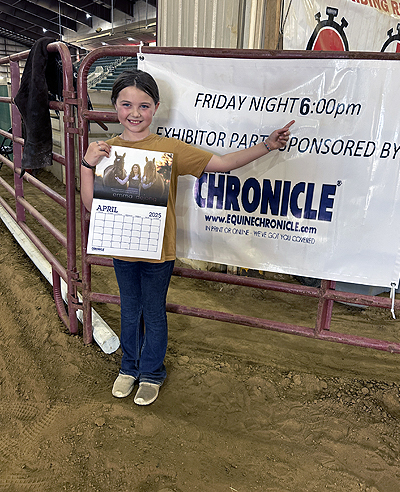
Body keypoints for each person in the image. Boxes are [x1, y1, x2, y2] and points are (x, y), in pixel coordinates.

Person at [80, 69, 294, 406]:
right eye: (126, 105)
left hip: (159, 252)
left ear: (156, 107)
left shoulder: (170, 149)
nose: (135, 113)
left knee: (153, 312)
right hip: (123, 248)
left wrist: (267, 145)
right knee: (129, 309)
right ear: (115, 106)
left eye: (143, 105)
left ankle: (151, 373)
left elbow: (223, 163)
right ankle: (128, 368)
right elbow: (91, 205)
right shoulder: (106, 151)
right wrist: (86, 164)